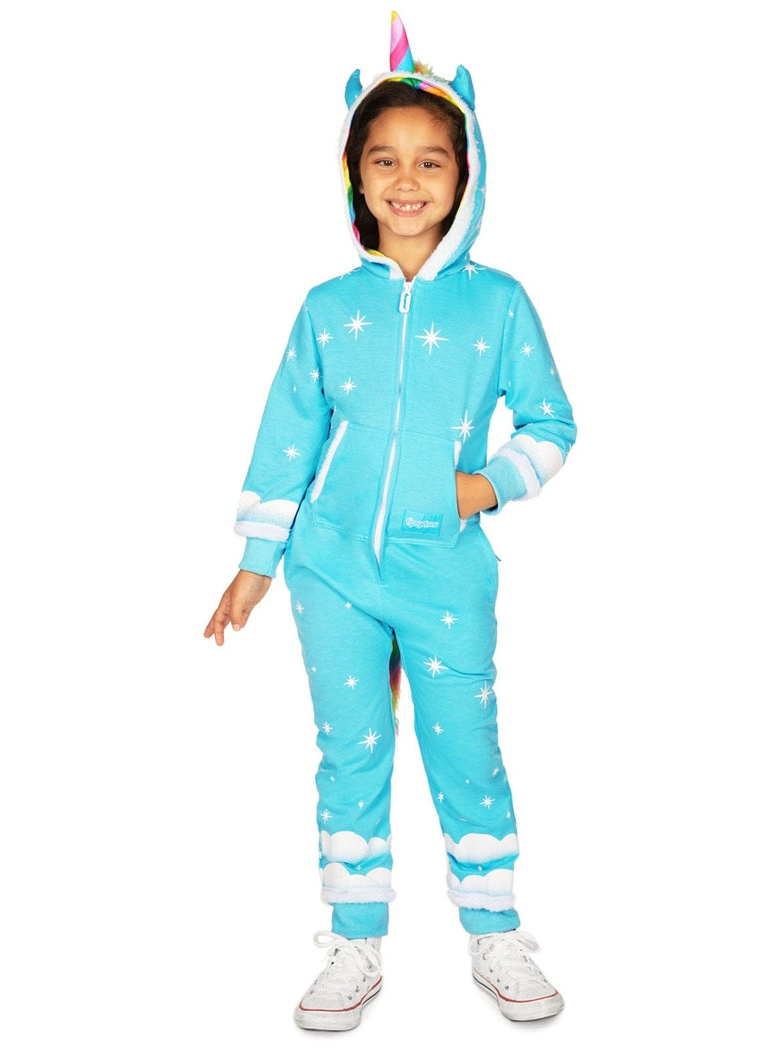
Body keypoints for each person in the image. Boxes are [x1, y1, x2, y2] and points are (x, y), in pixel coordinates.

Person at [204, 13, 576, 1031]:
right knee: (351, 751)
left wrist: (483, 487)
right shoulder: (327, 308)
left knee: (467, 749)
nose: (406, 180)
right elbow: (288, 435)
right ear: (355, 176)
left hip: (447, 570)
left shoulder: (499, 304)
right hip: (330, 570)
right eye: (384, 160)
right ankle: (354, 939)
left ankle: (494, 929)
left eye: (429, 160)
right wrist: (256, 563)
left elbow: (553, 422)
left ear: (466, 175)